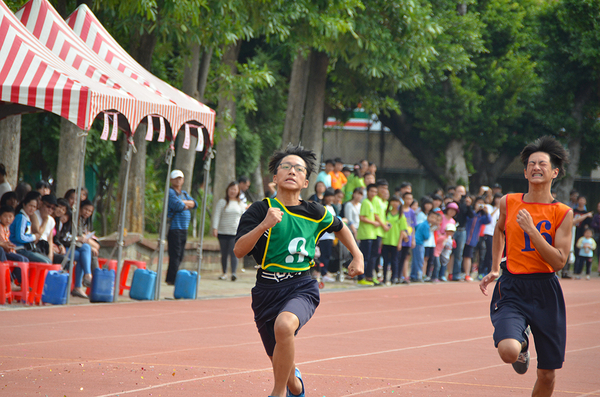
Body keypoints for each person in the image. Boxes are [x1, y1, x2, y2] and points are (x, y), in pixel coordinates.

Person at [233, 144, 363, 397]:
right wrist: (264, 225)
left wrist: (357, 256)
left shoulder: (315, 212)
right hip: (266, 290)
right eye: (286, 167)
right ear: (275, 177)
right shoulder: (260, 210)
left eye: (299, 169)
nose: (292, 171)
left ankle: (277, 393)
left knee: (284, 327)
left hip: (301, 286)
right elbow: (239, 250)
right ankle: (294, 386)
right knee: (281, 361)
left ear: (305, 181)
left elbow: (340, 227)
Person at [480, 136, 573, 397]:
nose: (536, 167)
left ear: (555, 171)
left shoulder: (562, 213)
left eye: (542, 163)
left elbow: (559, 261)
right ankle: (521, 347)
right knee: (508, 350)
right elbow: (499, 231)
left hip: (546, 290)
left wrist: (532, 231)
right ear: (524, 171)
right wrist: (496, 266)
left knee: (547, 374)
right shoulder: (508, 202)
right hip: (512, 286)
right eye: (531, 163)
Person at [166, 170, 197, 285]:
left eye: (180, 178)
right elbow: (178, 206)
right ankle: (172, 279)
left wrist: (185, 202)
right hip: (175, 228)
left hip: (184, 229)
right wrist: (186, 203)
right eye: (176, 178)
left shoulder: (183, 193)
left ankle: (172, 277)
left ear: (183, 180)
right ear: (171, 180)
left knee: (181, 254)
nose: (178, 180)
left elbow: (195, 204)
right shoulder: (170, 192)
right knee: (175, 254)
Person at [212, 181, 245, 281]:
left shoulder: (240, 204)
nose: (233, 191)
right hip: (222, 232)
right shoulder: (222, 202)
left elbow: (244, 217)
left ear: (238, 191)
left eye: (235, 189)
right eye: (231, 189)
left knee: (233, 252)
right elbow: (217, 215)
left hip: (235, 232)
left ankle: (234, 273)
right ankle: (224, 273)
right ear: (227, 190)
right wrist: (215, 228)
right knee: (224, 253)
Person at [9, 191, 50, 263]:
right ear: (24, 205)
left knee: (48, 260)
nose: (32, 209)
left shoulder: (26, 218)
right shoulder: (21, 217)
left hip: (24, 248)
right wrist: (34, 237)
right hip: (18, 248)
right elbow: (20, 237)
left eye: (34, 207)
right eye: (30, 206)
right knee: (45, 262)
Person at [461, 196, 491, 281]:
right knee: (461, 255)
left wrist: (486, 211)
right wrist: (476, 211)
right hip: (465, 237)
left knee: (469, 256)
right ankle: (460, 272)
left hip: (473, 239)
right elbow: (469, 218)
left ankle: (467, 273)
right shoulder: (470, 212)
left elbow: (488, 221)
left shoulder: (481, 216)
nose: (480, 205)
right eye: (479, 203)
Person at [356, 184, 380, 286]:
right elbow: (362, 217)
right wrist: (374, 223)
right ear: (368, 192)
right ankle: (361, 277)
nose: (373, 193)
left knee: (369, 257)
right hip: (365, 234)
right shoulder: (365, 202)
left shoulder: (372, 202)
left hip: (371, 234)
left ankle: (367, 276)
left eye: (375, 192)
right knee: (364, 257)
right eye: (371, 191)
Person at [381, 196, 408, 284]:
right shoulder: (386, 213)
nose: (395, 203)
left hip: (395, 241)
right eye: (393, 201)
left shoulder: (401, 215)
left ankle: (394, 278)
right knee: (385, 260)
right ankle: (384, 278)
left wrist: (400, 242)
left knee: (394, 260)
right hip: (386, 240)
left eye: (397, 202)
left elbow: (402, 230)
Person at [450, 185, 474, 281]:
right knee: (449, 252)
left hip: (462, 230)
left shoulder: (465, 204)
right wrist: (456, 201)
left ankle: (456, 274)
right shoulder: (452, 202)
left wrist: (469, 205)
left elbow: (471, 215)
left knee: (459, 253)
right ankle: (449, 273)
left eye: (462, 192)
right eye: (459, 191)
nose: (461, 194)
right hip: (451, 229)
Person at [410, 211, 441, 282]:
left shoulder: (423, 224)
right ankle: (417, 276)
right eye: (432, 217)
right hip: (419, 243)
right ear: (428, 217)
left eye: (434, 218)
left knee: (416, 259)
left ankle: (414, 275)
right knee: (419, 260)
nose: (433, 219)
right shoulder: (426, 225)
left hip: (418, 243)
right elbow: (426, 236)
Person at [317, 188, 336, 282]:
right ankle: (323, 272)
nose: (330, 198)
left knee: (328, 255)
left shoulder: (332, 207)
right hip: (324, 236)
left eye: (332, 196)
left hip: (330, 236)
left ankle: (325, 272)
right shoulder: (322, 207)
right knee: (323, 255)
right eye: (328, 196)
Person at [32, 194, 58, 262]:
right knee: (45, 261)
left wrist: (50, 255)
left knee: (65, 261)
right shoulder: (34, 214)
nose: (50, 210)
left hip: (45, 247)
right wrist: (45, 221)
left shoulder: (52, 220)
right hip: (36, 245)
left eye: (53, 208)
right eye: (48, 206)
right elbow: (38, 233)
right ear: (41, 203)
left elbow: (50, 239)